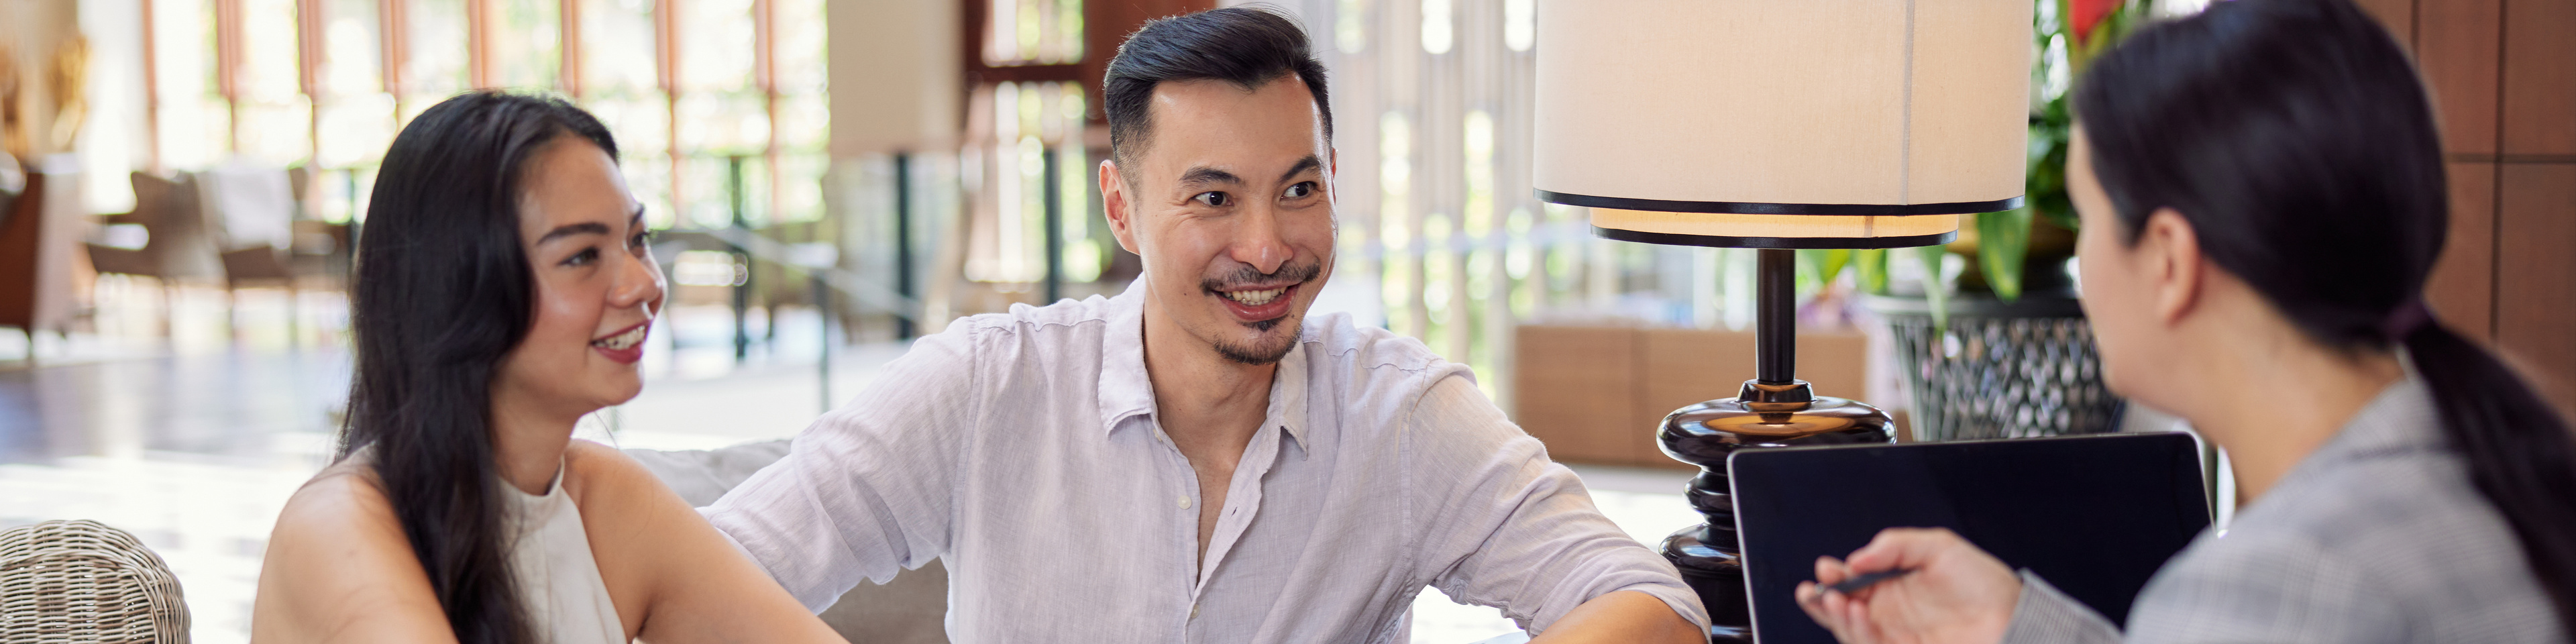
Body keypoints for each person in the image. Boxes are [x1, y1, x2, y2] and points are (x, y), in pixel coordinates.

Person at [702, 7, 1708, 643]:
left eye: (1299, 188)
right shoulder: (988, 386)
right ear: (1122, 207)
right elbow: (711, 571)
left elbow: (1645, 601)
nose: (1268, 247)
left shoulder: (1400, 416)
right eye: (1214, 199)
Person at [1792, 1, 2576, 643]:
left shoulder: (2280, 583)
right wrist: (2014, 626)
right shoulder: (2498, 470)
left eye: (2087, 215)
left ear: (2169, 258)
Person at [250, 92, 847, 644]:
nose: (645, 283)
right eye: (582, 255)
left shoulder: (602, 498)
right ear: (459, 290)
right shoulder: (339, 528)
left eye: (637, 240)